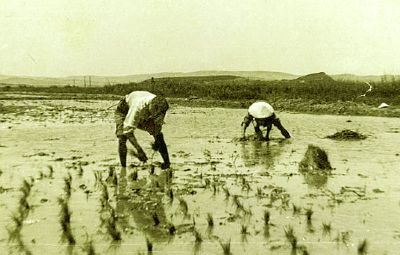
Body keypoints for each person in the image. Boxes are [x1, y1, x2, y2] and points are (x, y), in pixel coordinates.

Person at [115, 91, 170, 169]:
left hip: (145, 111)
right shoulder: (137, 107)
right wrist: (139, 150)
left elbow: (158, 124)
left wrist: (157, 140)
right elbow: (128, 131)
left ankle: (167, 163)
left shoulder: (161, 106)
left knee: (158, 135)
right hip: (124, 109)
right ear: (151, 108)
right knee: (122, 137)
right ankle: (123, 168)